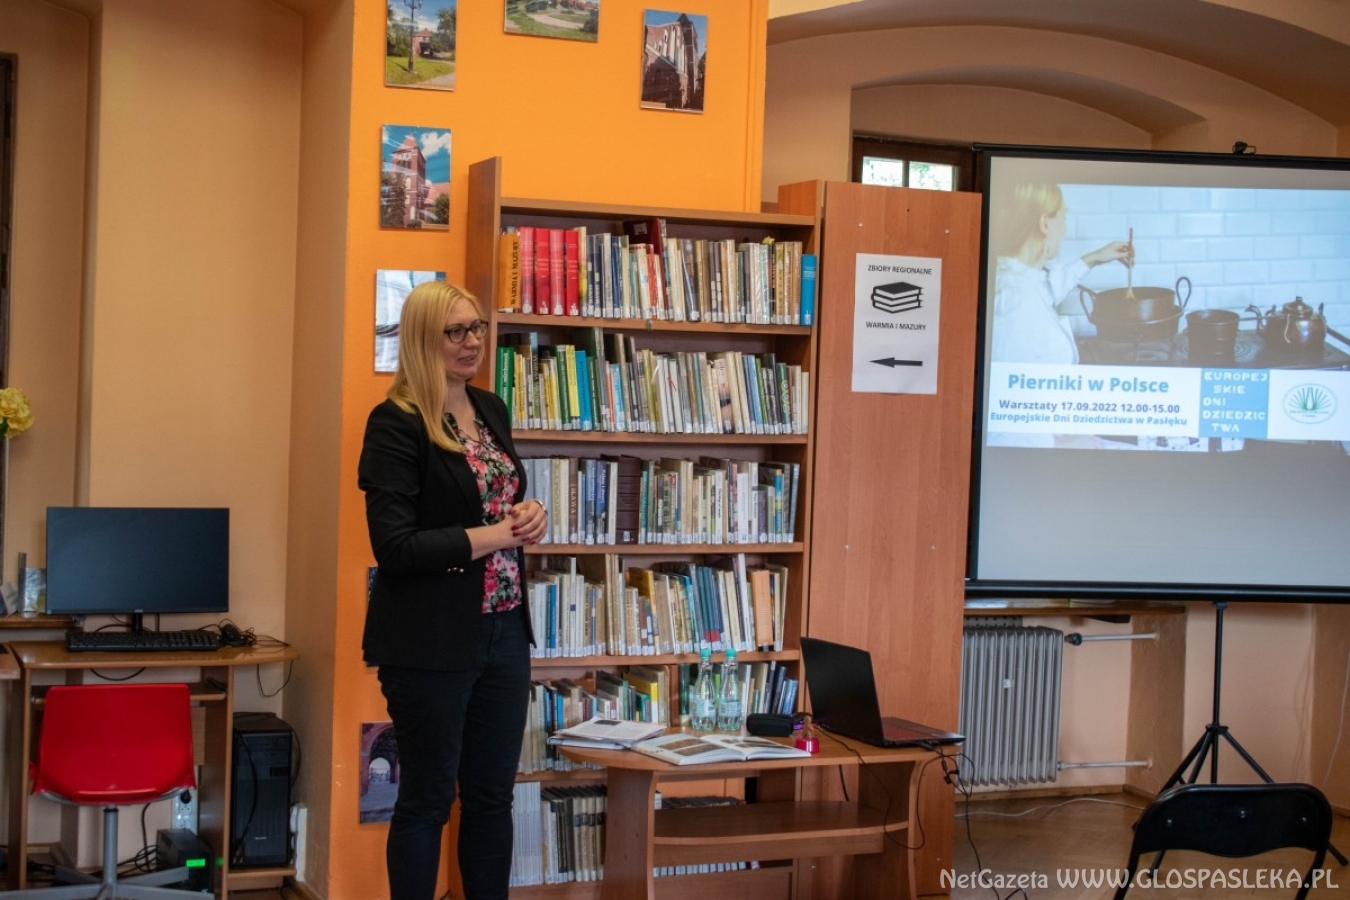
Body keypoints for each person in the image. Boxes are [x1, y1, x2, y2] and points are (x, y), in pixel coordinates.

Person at [358, 280, 547, 900]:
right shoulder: (396, 422)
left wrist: (531, 514)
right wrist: (496, 534)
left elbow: (498, 500)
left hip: (504, 630)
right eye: (455, 332)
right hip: (429, 641)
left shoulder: (490, 408)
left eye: (477, 328)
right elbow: (396, 547)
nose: (472, 342)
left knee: (491, 798)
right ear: (422, 339)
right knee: (428, 799)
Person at [990, 182, 1134, 364]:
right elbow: (1008, 377)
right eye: (1063, 218)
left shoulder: (1018, 281)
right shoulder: (1015, 299)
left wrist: (1094, 258)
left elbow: (1045, 293)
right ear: (1045, 223)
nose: (1064, 230)